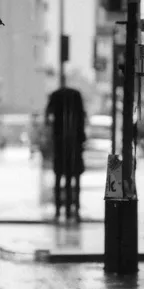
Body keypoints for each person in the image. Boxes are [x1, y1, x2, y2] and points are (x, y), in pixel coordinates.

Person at [45, 84, 87, 220]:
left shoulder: (55, 101)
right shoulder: (76, 101)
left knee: (59, 178)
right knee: (72, 178)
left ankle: (59, 209)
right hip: (74, 146)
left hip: (60, 146)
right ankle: (73, 208)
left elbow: (48, 117)